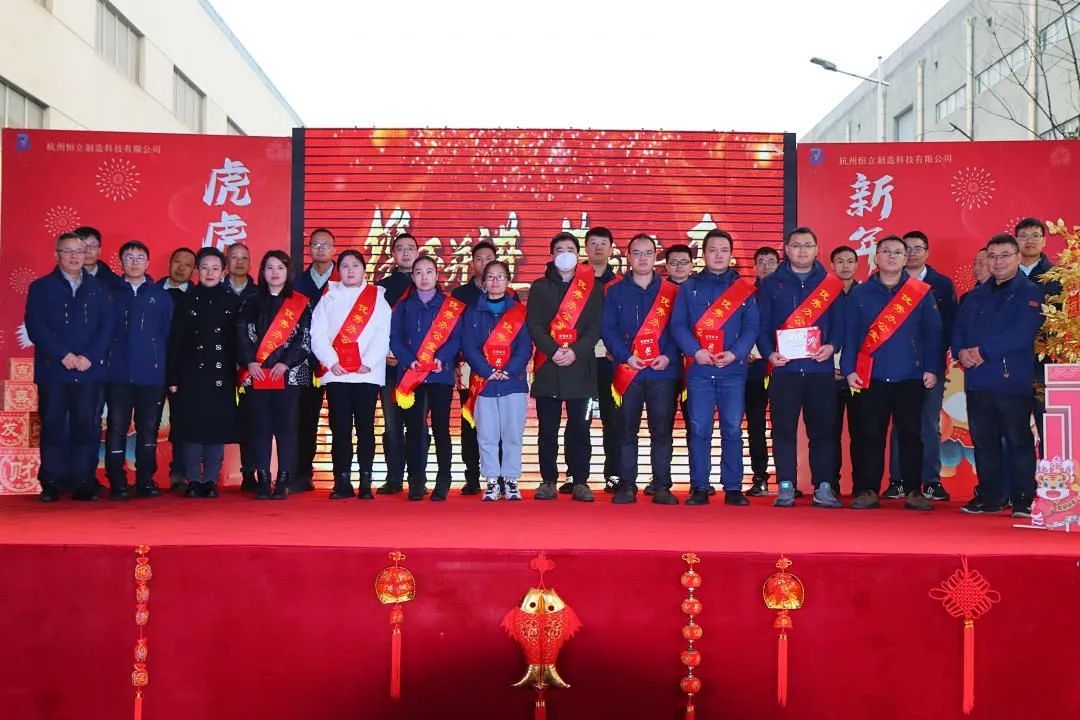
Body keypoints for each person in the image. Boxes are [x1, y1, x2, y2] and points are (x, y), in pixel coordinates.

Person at [842, 236, 942, 511]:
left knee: (911, 434)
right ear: (876, 257)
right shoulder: (861, 293)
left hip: (910, 376)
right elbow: (850, 334)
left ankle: (913, 490)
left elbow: (933, 333)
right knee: (869, 434)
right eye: (886, 251)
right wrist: (848, 369)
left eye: (898, 252)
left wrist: (932, 368)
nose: (891, 256)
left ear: (905, 258)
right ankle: (867, 490)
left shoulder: (919, 292)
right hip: (871, 376)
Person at [954, 234, 1044, 518]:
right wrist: (960, 352)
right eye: (992, 256)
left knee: (1018, 440)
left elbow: (1022, 333)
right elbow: (958, 329)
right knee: (984, 441)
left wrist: (983, 351)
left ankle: (1023, 497)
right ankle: (991, 495)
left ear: (1018, 257)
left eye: (1004, 255)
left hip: (1011, 379)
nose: (998, 261)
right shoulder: (975, 294)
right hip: (977, 379)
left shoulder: (1030, 292)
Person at [757, 227, 845, 509]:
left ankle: (823, 487)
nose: (802, 251)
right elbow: (761, 325)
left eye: (808, 245)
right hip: (785, 371)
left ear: (817, 249)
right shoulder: (771, 284)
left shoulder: (831, 284)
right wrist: (769, 354)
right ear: (786, 249)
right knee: (783, 430)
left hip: (820, 370)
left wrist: (832, 346)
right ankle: (785, 485)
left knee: (823, 432)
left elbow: (841, 324)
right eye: (796, 245)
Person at [671, 229, 759, 506]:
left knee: (732, 428)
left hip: (732, 370)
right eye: (712, 250)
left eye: (724, 250)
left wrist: (735, 353)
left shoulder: (744, 289)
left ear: (731, 255)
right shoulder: (689, 287)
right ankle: (699, 486)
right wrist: (695, 351)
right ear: (703, 254)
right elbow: (678, 325)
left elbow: (752, 326)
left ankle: (733, 487)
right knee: (699, 428)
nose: (718, 255)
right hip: (699, 369)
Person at [24, 233, 114, 501]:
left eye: (80, 251)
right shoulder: (41, 287)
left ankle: (83, 481)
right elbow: (36, 327)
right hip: (54, 369)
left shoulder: (99, 288)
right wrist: (63, 355)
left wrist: (90, 356)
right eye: (68, 251)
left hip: (89, 370)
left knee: (87, 426)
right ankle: (52, 481)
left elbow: (107, 327)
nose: (75, 256)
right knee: (53, 426)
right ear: (57, 255)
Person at [602, 234, 680, 505]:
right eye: (637, 253)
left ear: (656, 256)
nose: (643, 258)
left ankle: (662, 486)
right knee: (626, 430)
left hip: (663, 372)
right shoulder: (614, 291)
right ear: (628, 256)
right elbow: (607, 329)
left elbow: (680, 328)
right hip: (628, 371)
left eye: (648, 253)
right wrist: (626, 356)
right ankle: (626, 485)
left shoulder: (672, 291)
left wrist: (669, 356)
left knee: (662, 431)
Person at [527, 232, 604, 502]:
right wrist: (553, 350)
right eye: (559, 249)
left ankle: (580, 480)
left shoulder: (592, 287)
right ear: (552, 255)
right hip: (548, 367)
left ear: (578, 254)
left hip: (580, 368)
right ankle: (548, 480)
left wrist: (574, 351)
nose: (565, 254)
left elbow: (595, 327)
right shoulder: (539, 287)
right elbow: (534, 325)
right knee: (547, 429)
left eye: (570, 249)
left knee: (580, 429)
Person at [310, 250, 391, 500]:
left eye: (355, 265)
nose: (350, 270)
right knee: (340, 428)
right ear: (339, 270)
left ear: (364, 269)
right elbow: (317, 333)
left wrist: (367, 362)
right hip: (337, 374)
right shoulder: (328, 297)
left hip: (367, 374)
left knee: (366, 428)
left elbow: (383, 334)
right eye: (345, 266)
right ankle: (342, 481)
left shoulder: (377, 297)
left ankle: (366, 481)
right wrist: (332, 361)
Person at [883, 231, 958, 502]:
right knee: (900, 424)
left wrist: (934, 364)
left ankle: (931, 480)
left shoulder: (941, 284)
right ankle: (898, 480)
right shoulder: (887, 281)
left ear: (927, 252)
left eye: (918, 248)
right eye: (908, 249)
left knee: (928, 423)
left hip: (929, 367)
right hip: (897, 368)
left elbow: (946, 327)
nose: (913, 253)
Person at [238, 250, 313, 500]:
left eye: (280, 268)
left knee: (286, 426)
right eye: (269, 267)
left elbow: (304, 338)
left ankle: (283, 480)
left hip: (289, 375)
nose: (275, 272)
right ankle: (263, 478)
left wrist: (285, 363)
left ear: (288, 272)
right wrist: (250, 361)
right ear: (262, 272)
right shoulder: (250, 301)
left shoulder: (300, 302)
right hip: (257, 373)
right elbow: (242, 333)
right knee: (260, 427)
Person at [166, 248, 241, 497]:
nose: (210, 273)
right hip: (190, 374)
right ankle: (193, 481)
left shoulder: (232, 301)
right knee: (191, 427)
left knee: (215, 428)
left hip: (222, 374)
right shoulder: (186, 300)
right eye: (205, 268)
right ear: (197, 270)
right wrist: (172, 376)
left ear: (223, 271)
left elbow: (238, 342)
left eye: (215, 268)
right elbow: (175, 341)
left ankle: (210, 480)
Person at [390, 255, 464, 501]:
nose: (424, 277)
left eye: (429, 272)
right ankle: (416, 481)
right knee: (414, 429)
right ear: (412, 277)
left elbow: (456, 337)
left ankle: (443, 480)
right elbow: (395, 338)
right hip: (412, 376)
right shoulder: (403, 306)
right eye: (419, 272)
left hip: (440, 376)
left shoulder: (449, 306)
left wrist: (442, 357)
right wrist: (408, 359)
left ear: (436, 275)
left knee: (441, 428)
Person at [103, 241, 173, 500]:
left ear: (148, 263)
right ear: (121, 262)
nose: (134, 262)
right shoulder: (108, 294)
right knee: (116, 428)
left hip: (151, 375)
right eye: (129, 257)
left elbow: (166, 337)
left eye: (139, 257)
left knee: (148, 429)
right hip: (117, 373)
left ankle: (145, 480)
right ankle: (117, 481)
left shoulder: (160, 296)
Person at [461, 260, 532, 501]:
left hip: (513, 382)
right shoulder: (472, 311)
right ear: (483, 281)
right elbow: (469, 345)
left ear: (508, 280)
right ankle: (491, 480)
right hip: (485, 382)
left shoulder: (519, 312)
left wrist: (509, 370)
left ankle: (511, 480)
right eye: (490, 276)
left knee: (512, 435)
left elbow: (525, 347)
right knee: (487, 435)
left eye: (500, 276)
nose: (495, 281)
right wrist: (486, 370)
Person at [559, 226, 621, 495]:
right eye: (593, 242)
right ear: (585, 247)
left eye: (603, 243)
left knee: (613, 419)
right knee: (577, 419)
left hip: (609, 359)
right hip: (578, 358)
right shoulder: (574, 280)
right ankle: (575, 474)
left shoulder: (619, 284)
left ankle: (614, 476)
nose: (598, 247)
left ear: (611, 248)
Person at [644, 243, 695, 498]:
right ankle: (660, 478)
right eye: (673, 262)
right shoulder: (658, 292)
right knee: (661, 426)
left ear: (692, 264)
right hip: (663, 367)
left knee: (695, 425)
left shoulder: (699, 290)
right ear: (665, 265)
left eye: (683, 262)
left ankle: (698, 480)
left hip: (695, 366)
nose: (678, 267)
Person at [292, 228, 340, 492]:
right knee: (304, 419)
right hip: (304, 361)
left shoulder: (345, 279)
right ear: (309, 248)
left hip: (339, 362)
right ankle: (302, 473)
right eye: (316, 244)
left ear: (334, 249)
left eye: (326, 245)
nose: (321, 249)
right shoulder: (296, 283)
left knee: (340, 419)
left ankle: (342, 476)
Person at [452, 241, 498, 495]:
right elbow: (452, 332)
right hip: (470, 368)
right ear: (472, 264)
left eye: (488, 258)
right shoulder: (460, 294)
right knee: (470, 421)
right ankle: (472, 475)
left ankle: (498, 475)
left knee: (498, 424)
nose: (483, 263)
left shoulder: (508, 294)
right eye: (478, 259)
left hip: (500, 369)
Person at [375, 232, 418, 495]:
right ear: (393, 254)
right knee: (392, 426)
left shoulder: (427, 284)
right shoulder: (381, 287)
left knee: (417, 426)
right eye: (400, 248)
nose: (405, 252)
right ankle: (393, 478)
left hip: (418, 368)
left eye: (410, 248)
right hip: (390, 365)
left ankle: (417, 478)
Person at [1016, 217, 1059, 460]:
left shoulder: (1057, 277)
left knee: (1048, 425)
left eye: (1035, 236)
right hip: (1011, 364)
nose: (1029, 241)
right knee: (1014, 429)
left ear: (1044, 241)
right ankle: (1020, 481)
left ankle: (1050, 479)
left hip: (1045, 364)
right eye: (1023, 236)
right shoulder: (1005, 275)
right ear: (1016, 241)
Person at [159, 246, 197, 491]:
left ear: (194, 271)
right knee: (146, 422)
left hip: (183, 370)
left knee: (182, 421)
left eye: (187, 265)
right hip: (151, 367)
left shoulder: (197, 297)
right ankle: (142, 476)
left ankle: (180, 473)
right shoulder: (151, 291)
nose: (181, 268)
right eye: (177, 262)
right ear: (169, 264)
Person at [223, 242, 259, 492]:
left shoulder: (259, 294)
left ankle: (250, 472)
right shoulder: (215, 290)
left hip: (251, 367)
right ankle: (205, 475)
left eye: (244, 257)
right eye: (234, 257)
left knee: (252, 421)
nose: (239, 261)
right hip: (219, 365)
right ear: (226, 261)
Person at [745, 246, 779, 497]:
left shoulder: (787, 292)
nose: (766, 266)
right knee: (755, 425)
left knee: (781, 426)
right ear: (754, 266)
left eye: (771, 261)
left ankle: (788, 480)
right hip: (752, 367)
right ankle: (760, 477)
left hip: (780, 366)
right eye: (761, 262)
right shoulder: (744, 294)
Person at [829, 245, 860, 490]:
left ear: (857, 265)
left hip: (859, 375)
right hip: (827, 374)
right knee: (829, 432)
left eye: (850, 261)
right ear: (832, 265)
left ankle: (862, 485)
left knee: (861, 431)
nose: (845, 266)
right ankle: (830, 484)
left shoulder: (866, 294)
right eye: (840, 261)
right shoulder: (822, 295)